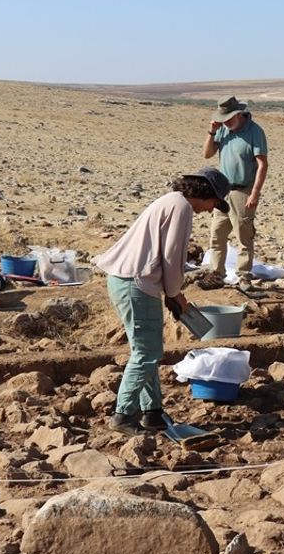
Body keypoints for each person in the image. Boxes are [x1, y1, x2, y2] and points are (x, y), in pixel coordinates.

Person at [93, 166, 231, 434]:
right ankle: (123, 415)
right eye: (214, 203)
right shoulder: (181, 208)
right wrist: (175, 293)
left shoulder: (171, 201)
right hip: (136, 283)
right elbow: (172, 257)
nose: (211, 209)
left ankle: (152, 412)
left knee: (147, 350)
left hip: (128, 281)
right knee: (146, 353)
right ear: (207, 193)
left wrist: (171, 293)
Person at [202, 96, 268, 284]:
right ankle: (216, 275)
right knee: (217, 235)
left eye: (229, 119)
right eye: (223, 119)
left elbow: (262, 165)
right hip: (222, 191)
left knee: (243, 237)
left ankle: (244, 276)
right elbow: (207, 154)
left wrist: (255, 193)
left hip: (243, 191)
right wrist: (212, 132)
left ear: (239, 114)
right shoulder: (223, 130)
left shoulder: (255, 132)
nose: (226, 122)